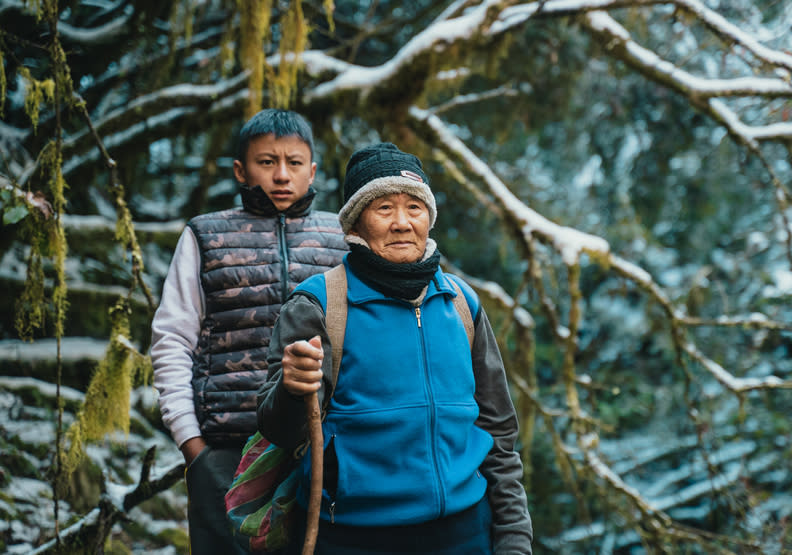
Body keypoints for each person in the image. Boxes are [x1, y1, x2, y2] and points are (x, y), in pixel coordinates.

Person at [257, 142, 533, 554]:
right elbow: (279, 430)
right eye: (383, 208)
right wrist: (292, 389)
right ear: (355, 222)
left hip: (466, 533)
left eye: (414, 208)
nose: (402, 223)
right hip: (352, 536)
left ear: (429, 218)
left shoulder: (461, 302)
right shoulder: (318, 304)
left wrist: (513, 539)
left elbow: (498, 433)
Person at [150, 109, 348, 554]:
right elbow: (172, 340)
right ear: (241, 169)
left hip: (322, 447)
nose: (281, 175)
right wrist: (192, 445)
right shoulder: (204, 236)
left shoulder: (341, 238)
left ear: (312, 169)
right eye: (266, 161)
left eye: (294, 163)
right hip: (225, 449)